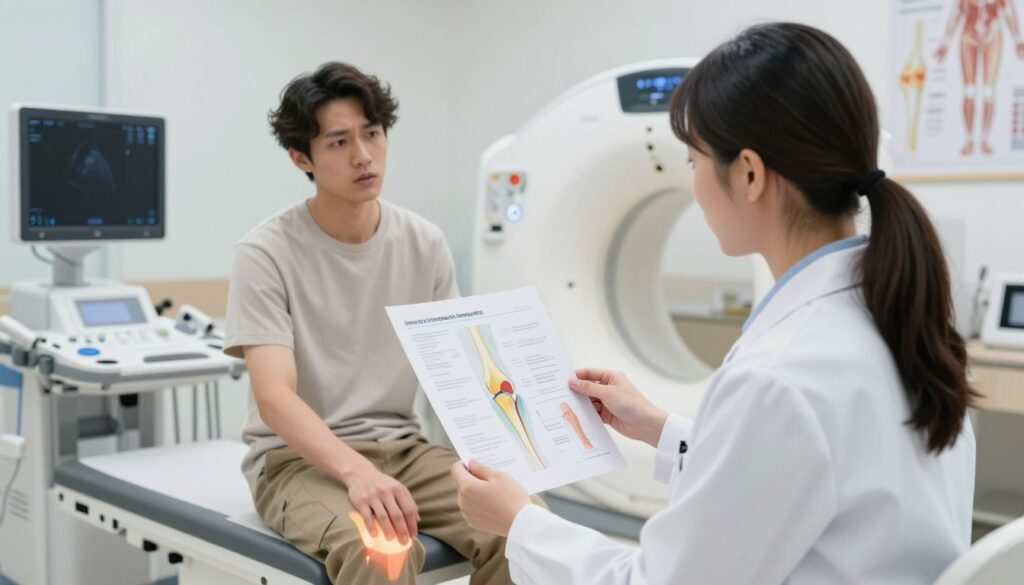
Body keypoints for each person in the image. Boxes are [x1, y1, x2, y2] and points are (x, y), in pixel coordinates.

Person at [451, 22, 978, 585]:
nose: (696, 182)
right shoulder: (896, 318)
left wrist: (521, 521)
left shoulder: (779, 376)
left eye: (695, 160)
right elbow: (793, 475)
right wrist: (660, 428)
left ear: (749, 174)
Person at [224, 62, 518, 584]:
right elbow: (275, 397)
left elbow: (453, 368)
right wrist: (357, 472)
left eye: (373, 134)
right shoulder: (266, 253)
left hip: (405, 450)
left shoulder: (423, 243)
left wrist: (520, 445)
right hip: (297, 463)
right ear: (301, 158)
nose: (363, 155)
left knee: (521, 529)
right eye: (338, 142)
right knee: (383, 552)